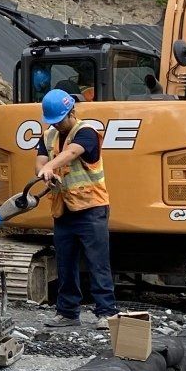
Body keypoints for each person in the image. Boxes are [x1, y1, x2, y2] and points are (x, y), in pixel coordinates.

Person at [36, 88, 115, 325]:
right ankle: (68, 312)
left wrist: (50, 167)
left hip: (91, 208)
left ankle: (107, 312)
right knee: (65, 262)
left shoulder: (86, 133)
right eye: (53, 122)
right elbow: (40, 159)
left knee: (97, 262)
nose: (57, 125)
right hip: (63, 209)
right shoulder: (49, 135)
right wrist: (43, 171)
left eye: (59, 120)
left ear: (71, 112)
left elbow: (72, 152)